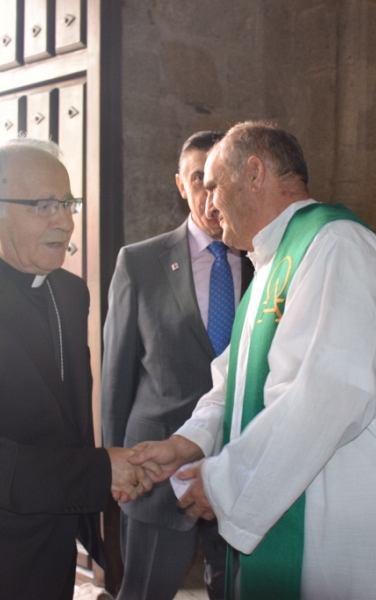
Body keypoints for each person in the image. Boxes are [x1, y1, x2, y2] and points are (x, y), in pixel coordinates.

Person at [130, 121, 376, 599]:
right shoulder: (271, 266)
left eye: (214, 186)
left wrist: (223, 482)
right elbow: (233, 381)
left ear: (254, 173)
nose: (209, 205)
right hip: (305, 507)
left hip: (343, 523)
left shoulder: (337, 247)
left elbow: (329, 392)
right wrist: (188, 443)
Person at [0, 137, 158, 600]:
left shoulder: (71, 295)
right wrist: (98, 472)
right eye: (42, 205)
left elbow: (68, 416)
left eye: (67, 202)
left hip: (54, 534)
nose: (65, 219)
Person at [101, 130, 253, 600]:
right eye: (198, 181)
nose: (211, 197)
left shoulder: (262, 263)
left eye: (219, 182)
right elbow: (117, 379)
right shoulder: (140, 263)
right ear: (180, 185)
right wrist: (118, 464)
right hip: (156, 472)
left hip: (239, 465)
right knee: (146, 591)